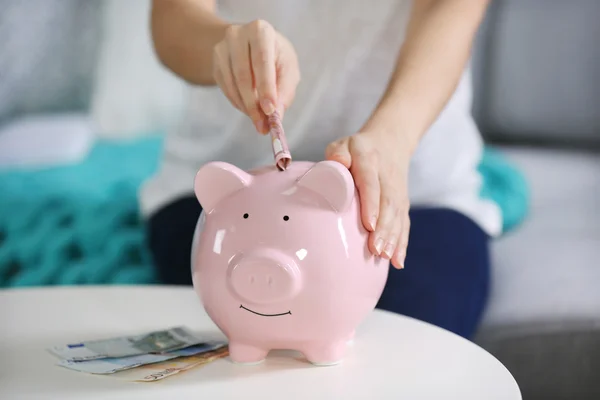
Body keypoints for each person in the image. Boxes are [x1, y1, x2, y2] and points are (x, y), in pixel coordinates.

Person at [141, 0, 501, 340]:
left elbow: (451, 11)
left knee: (410, 357)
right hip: (222, 188)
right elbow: (174, 21)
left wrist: (393, 140)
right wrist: (225, 46)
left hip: (413, 188)